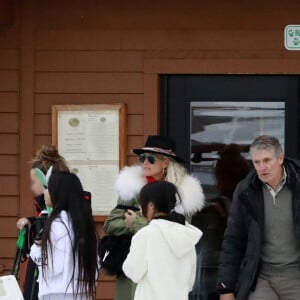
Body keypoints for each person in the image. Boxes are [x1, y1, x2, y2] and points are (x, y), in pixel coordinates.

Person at [103, 135, 205, 300]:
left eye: (151, 159)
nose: (144, 163)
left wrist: (137, 221)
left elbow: (179, 233)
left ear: (165, 162)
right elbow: (111, 223)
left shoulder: (183, 193)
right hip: (133, 260)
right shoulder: (132, 187)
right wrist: (147, 222)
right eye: (142, 158)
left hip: (165, 269)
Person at [217, 135, 300, 300]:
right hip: (261, 277)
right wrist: (225, 288)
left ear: (280, 158)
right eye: (256, 162)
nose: (262, 167)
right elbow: (233, 240)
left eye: (267, 160)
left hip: (295, 276)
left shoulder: (297, 184)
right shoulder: (246, 190)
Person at [123, 181, 203, 300]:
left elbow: (133, 272)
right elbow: (190, 282)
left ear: (151, 205)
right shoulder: (186, 235)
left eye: (141, 204)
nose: (140, 208)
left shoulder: (146, 234)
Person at [30, 172, 99, 300]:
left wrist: (36, 247)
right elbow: (96, 261)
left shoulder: (56, 223)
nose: (45, 193)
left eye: (48, 189)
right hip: (81, 291)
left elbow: (42, 257)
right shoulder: (86, 224)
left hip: (55, 291)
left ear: (57, 193)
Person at [16, 145, 69, 300]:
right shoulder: (44, 207)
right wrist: (31, 222)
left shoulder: (61, 213)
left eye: (34, 182)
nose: (32, 188)